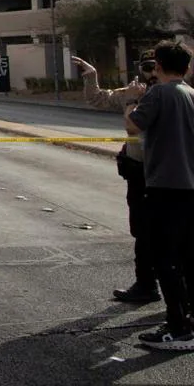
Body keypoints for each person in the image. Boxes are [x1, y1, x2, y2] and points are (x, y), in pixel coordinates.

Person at [125, 40, 194, 351]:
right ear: (187, 67)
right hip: (189, 187)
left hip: (165, 187)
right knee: (187, 258)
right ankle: (187, 320)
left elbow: (132, 127)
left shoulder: (159, 92)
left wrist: (132, 100)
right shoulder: (191, 94)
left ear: (160, 66)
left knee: (164, 259)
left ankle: (177, 328)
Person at [72, 53, 155, 303]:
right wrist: (91, 76)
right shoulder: (132, 92)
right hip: (138, 170)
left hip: (165, 171)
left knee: (169, 234)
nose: (150, 73)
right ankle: (146, 285)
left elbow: (134, 126)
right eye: (146, 68)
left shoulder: (166, 94)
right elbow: (98, 99)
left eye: (154, 67)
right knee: (142, 232)